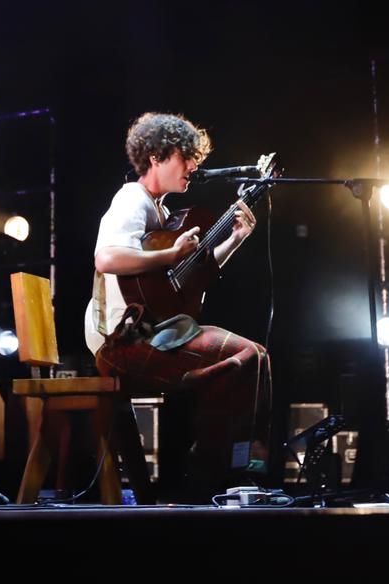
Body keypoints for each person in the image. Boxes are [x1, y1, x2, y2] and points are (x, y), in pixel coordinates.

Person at [84, 111, 270, 497]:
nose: (193, 165)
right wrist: (169, 257)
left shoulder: (164, 215)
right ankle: (208, 478)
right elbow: (107, 258)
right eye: (185, 156)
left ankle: (235, 468)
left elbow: (189, 277)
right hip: (124, 339)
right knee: (242, 357)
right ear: (156, 157)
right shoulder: (132, 199)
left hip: (152, 331)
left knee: (257, 356)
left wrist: (234, 239)